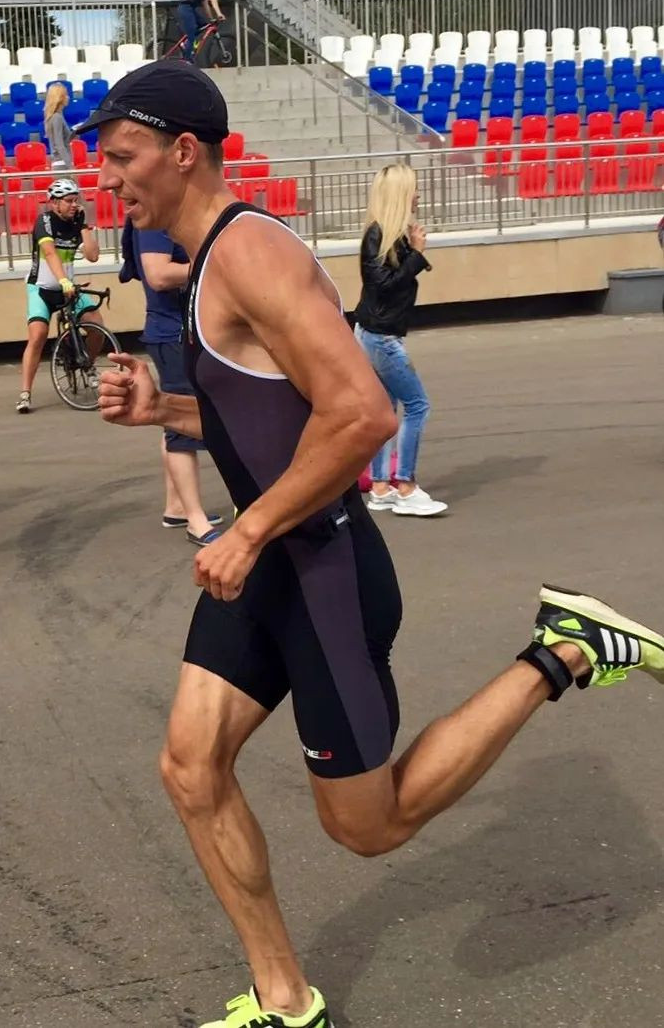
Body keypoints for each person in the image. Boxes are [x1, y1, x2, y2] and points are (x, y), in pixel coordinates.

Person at [87, 60, 664, 1028]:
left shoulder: (249, 252)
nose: (108, 178)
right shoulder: (207, 262)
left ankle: (564, 649)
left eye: (121, 156)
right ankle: (286, 1000)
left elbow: (359, 413)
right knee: (191, 767)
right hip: (269, 563)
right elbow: (275, 409)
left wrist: (253, 527)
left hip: (319, 571)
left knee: (369, 825)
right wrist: (166, 405)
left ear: (182, 151)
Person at [354, 164, 446, 518]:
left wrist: (413, 251)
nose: (418, 196)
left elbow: (392, 280)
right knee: (418, 404)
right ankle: (404, 485)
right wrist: (418, 255)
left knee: (386, 410)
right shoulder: (377, 235)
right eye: (414, 190)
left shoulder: (393, 235)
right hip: (380, 336)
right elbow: (385, 285)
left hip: (377, 333)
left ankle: (380, 486)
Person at [133, 222, 223, 546]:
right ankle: (195, 521)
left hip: (172, 330)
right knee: (182, 430)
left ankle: (178, 507)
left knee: (172, 418)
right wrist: (213, 264)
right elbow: (157, 274)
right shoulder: (154, 222)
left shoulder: (153, 221)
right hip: (172, 332)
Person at [15, 178, 101, 414]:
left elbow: (93, 256)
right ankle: (25, 393)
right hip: (41, 288)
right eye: (69, 201)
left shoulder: (76, 221)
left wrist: (84, 227)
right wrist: (62, 280)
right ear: (54, 203)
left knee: (96, 324)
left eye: (76, 201)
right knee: (38, 334)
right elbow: (50, 253)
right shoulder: (44, 221)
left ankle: (88, 364)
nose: (74, 205)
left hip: (69, 287)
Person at [177, 0, 224, 64]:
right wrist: (219, 14)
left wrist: (211, 18)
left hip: (189, 8)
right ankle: (187, 60)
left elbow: (205, 4)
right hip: (185, 8)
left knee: (204, 25)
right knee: (192, 34)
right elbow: (213, 0)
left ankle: (188, 43)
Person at [43, 82, 73, 168]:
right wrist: (70, 166)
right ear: (60, 98)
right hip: (62, 164)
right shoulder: (57, 117)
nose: (68, 97)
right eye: (66, 95)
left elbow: (64, 139)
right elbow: (59, 145)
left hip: (61, 163)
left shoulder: (57, 116)